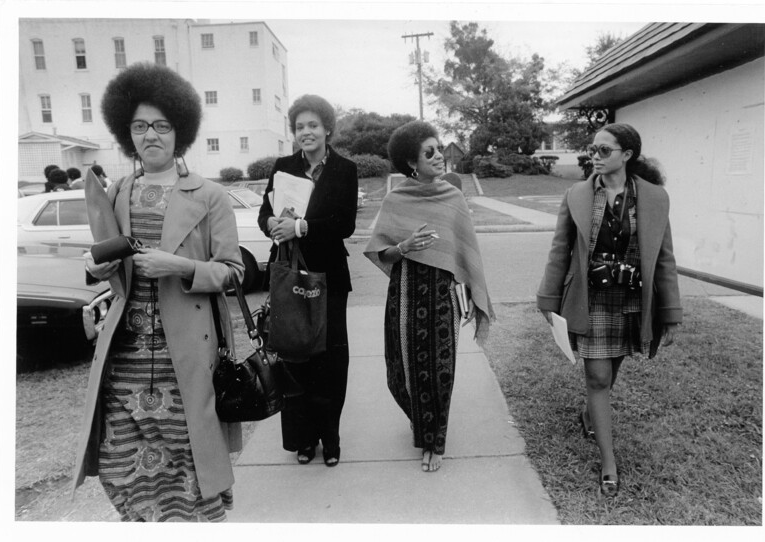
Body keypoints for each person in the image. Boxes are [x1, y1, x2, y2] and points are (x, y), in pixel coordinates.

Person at [73, 62, 244, 522]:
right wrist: (95, 267)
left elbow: (234, 271)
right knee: (119, 461)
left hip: (183, 356)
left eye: (162, 126)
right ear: (127, 132)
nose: (151, 135)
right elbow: (106, 263)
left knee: (187, 462)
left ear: (180, 132)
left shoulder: (209, 196)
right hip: (124, 356)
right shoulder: (119, 192)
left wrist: (181, 267)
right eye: (140, 126)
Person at [536, 123, 682, 498]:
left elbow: (664, 257)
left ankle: (589, 416)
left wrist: (669, 309)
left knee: (611, 368)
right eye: (592, 150)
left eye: (604, 151)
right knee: (598, 378)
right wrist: (548, 299)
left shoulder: (654, 197)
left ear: (627, 155)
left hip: (632, 300)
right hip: (593, 299)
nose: (594, 157)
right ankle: (609, 462)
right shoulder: (578, 195)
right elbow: (560, 251)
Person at [364, 120, 494, 473]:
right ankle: (420, 421)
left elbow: (466, 252)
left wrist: (470, 293)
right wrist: (403, 247)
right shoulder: (396, 199)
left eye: (439, 149)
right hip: (404, 293)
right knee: (400, 372)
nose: (439, 157)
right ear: (411, 162)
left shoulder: (452, 197)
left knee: (439, 371)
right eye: (430, 152)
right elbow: (381, 252)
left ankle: (435, 441)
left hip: (441, 295)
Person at [257, 94, 358, 467]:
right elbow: (265, 213)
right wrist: (271, 223)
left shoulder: (344, 170)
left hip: (329, 277)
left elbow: (344, 223)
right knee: (295, 358)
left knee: (331, 360)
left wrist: (300, 226)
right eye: (300, 127)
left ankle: (329, 437)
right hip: (288, 275)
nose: (306, 132)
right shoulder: (283, 167)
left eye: (313, 125)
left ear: (327, 128)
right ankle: (303, 438)